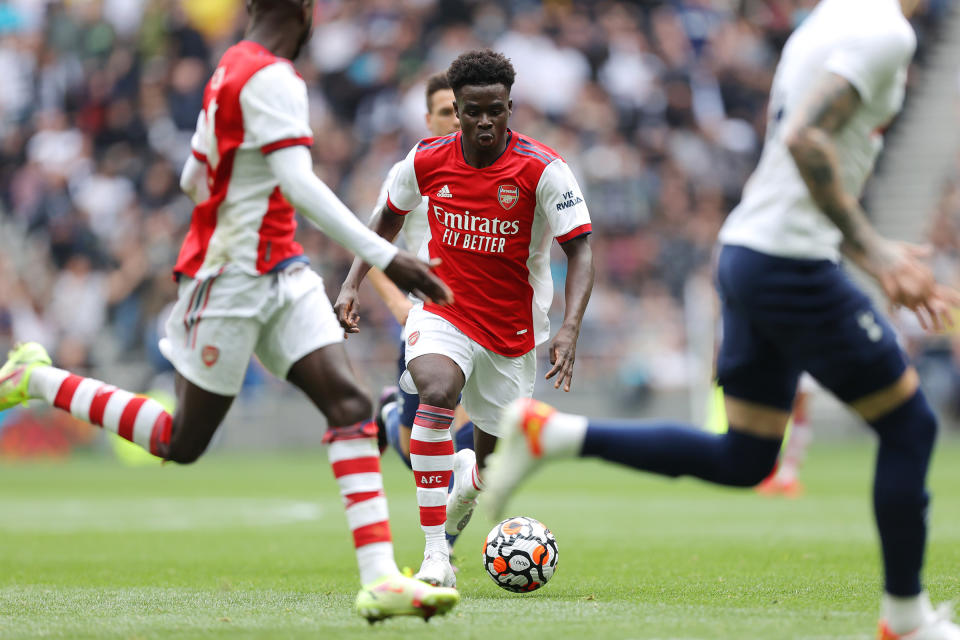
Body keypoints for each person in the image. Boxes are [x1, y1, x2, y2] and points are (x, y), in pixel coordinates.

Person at [484, 1, 960, 637]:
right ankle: (905, 618)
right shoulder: (885, 31)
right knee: (910, 425)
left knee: (747, 458)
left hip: (753, 253)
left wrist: (862, 245)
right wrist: (875, 253)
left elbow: (801, 167)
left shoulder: (827, 22)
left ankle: (553, 435)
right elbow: (806, 140)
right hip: (790, 265)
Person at [0, 0, 459, 623]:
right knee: (180, 441)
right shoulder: (273, 76)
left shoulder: (229, 68)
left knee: (350, 405)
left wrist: (240, 202)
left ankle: (381, 579)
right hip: (230, 281)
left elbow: (194, 175)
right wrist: (388, 256)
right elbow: (296, 183)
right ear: (302, 11)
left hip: (282, 269)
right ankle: (36, 378)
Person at [335, 49, 595, 588]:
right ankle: (435, 555)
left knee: (484, 472)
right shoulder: (427, 159)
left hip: (511, 335)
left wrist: (569, 326)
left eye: (494, 111)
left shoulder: (543, 169)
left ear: (509, 107)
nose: (482, 122)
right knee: (436, 391)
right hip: (443, 312)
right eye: (471, 111)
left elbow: (582, 249)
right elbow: (383, 220)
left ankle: (466, 484)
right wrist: (351, 282)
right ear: (456, 107)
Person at [365, 72, 476, 471]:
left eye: (460, 110)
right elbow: (371, 243)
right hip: (430, 322)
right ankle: (391, 413)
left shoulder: (490, 166)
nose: (456, 120)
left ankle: (442, 535)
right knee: (421, 456)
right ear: (428, 120)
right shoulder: (410, 171)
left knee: (468, 445)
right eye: (446, 112)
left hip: (483, 320)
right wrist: (398, 303)